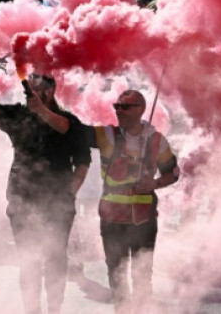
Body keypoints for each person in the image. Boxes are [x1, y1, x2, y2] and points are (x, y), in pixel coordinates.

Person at [0, 62, 91, 314]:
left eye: (38, 88)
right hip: (22, 200)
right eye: (31, 88)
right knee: (28, 260)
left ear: (50, 92)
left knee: (55, 258)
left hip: (57, 202)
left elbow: (81, 157)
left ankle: (55, 309)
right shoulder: (19, 116)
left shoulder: (69, 120)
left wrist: (71, 190)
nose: (32, 93)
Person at [89, 90, 179, 313]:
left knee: (142, 275)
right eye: (117, 106)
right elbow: (72, 131)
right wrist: (42, 110)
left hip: (144, 220)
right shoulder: (107, 135)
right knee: (116, 274)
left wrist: (154, 184)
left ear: (141, 110)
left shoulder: (156, 140)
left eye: (126, 107)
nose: (119, 111)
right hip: (112, 220)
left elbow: (173, 173)